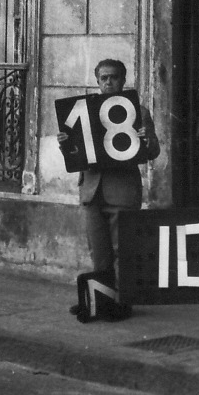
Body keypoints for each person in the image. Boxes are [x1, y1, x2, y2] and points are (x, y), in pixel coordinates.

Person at [57, 58, 160, 317]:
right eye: (103, 78)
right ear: (97, 81)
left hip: (122, 191)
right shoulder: (82, 112)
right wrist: (66, 143)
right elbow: (77, 153)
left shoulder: (138, 112)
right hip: (92, 190)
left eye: (114, 77)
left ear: (123, 80)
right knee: (98, 250)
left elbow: (153, 151)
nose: (108, 82)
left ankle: (122, 301)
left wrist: (146, 140)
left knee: (122, 249)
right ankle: (99, 299)